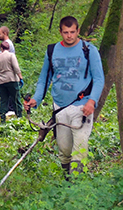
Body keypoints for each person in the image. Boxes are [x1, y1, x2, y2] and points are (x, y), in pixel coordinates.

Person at [24, 16, 105, 176]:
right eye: (66, 32)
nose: (69, 36)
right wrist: (36, 99)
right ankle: (67, 181)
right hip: (60, 107)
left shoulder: (89, 50)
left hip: (82, 107)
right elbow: (44, 79)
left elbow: (99, 78)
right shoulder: (52, 50)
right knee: (64, 149)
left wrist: (92, 101)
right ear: (60, 32)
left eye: (72, 32)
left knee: (79, 149)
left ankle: (76, 186)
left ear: (78, 31)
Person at [0, 41, 24, 123]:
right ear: (9, 48)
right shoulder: (11, 55)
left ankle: (2, 119)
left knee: (3, 100)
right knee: (16, 98)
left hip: (1, 82)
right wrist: (20, 77)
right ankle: (19, 117)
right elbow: (16, 67)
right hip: (12, 80)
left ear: (1, 48)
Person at [0, 26, 16, 116]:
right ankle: (9, 109)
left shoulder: (7, 43)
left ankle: (11, 109)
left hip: (7, 72)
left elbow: (5, 57)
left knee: (9, 91)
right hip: (7, 71)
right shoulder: (8, 43)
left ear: (5, 33)